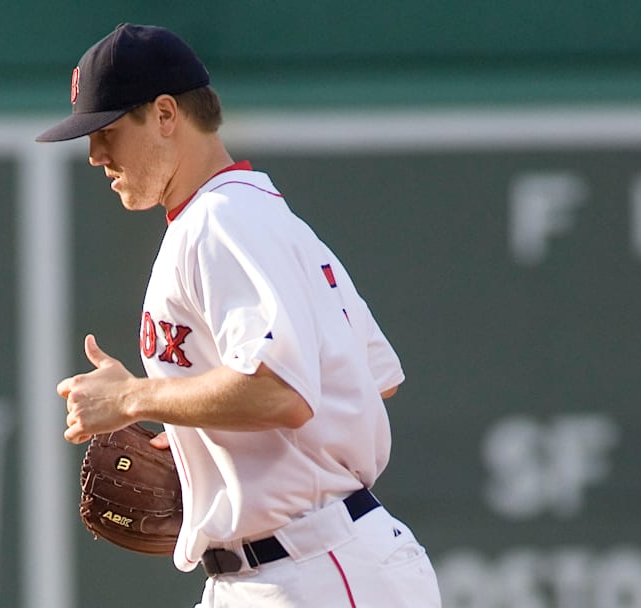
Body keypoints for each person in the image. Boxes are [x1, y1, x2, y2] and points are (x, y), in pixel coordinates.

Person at [40, 23, 442, 608]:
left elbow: (282, 392)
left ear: (165, 114)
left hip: (315, 569)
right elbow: (367, 382)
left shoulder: (222, 221)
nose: (96, 154)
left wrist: (135, 399)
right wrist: (203, 434)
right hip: (280, 570)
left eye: (106, 129)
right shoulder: (258, 217)